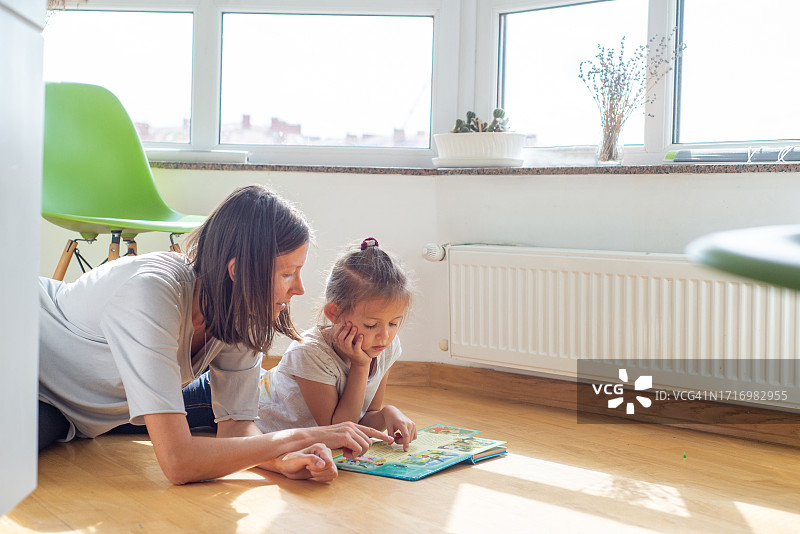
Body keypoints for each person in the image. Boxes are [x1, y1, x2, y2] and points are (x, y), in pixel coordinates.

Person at [37, 185, 392, 485]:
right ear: (238, 271)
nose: (299, 288)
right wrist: (301, 436)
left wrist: (280, 458)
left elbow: (236, 429)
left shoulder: (240, 316)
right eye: (288, 274)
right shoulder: (150, 294)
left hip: (69, 414)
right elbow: (179, 462)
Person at [182, 237, 418, 450]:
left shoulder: (385, 347)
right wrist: (360, 367)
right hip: (221, 397)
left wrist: (387, 414)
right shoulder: (310, 353)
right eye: (370, 325)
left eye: (394, 323)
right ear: (334, 313)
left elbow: (358, 421)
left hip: (255, 388)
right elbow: (337, 429)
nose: (384, 336)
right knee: (147, 417)